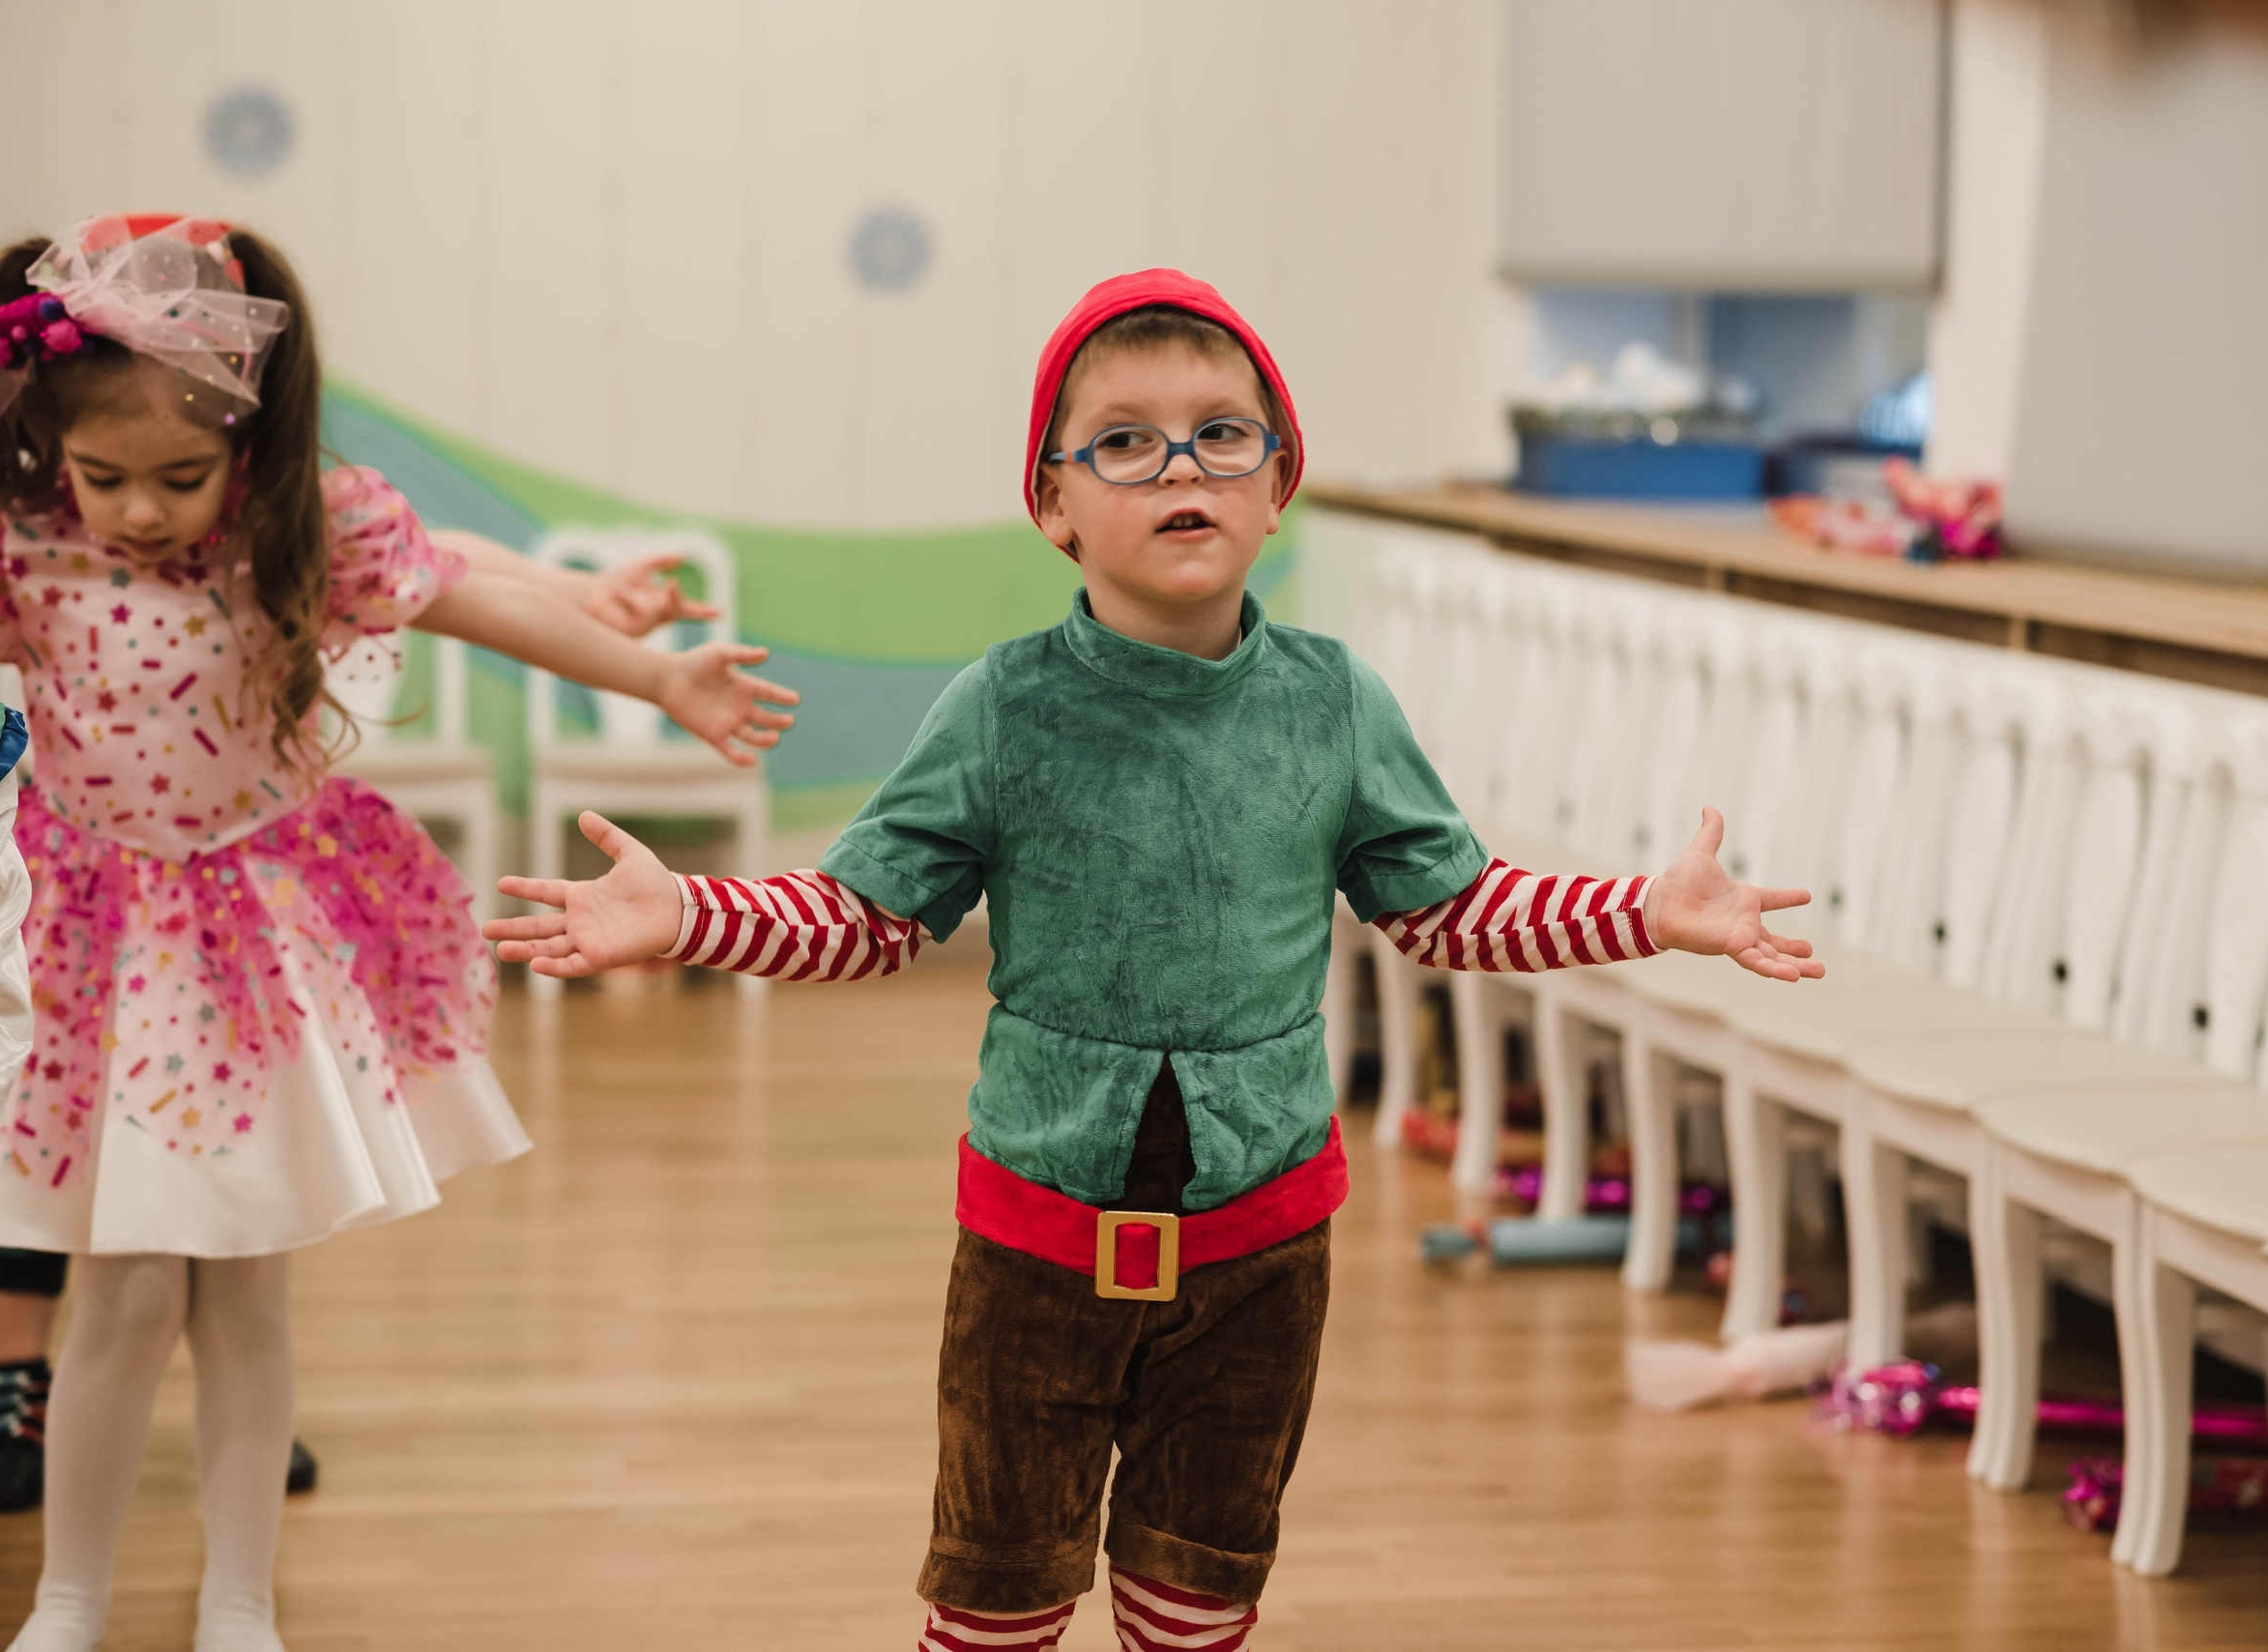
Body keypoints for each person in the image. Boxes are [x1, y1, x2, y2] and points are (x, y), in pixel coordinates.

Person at [485, 270, 1821, 1652]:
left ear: (1278, 478)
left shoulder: (1336, 702)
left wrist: (1644, 908)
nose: (1182, 464)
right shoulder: (1003, 707)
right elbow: (872, 915)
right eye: (1125, 439)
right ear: (1055, 504)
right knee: (995, 1595)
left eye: (1222, 433)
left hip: (1262, 1252)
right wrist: (689, 914)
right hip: (1034, 1248)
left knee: (1200, 1592)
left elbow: (1448, 907)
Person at [0, 214, 798, 1652]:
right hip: (103, 957)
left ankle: (237, 1598)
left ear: (247, 442)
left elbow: (478, 596)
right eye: (101, 475)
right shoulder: (28, 554)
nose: (137, 509)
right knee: (114, 1292)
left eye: (178, 475)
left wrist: (657, 675)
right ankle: (73, 1594)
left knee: (244, 1287)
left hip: (251, 953)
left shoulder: (301, 529)